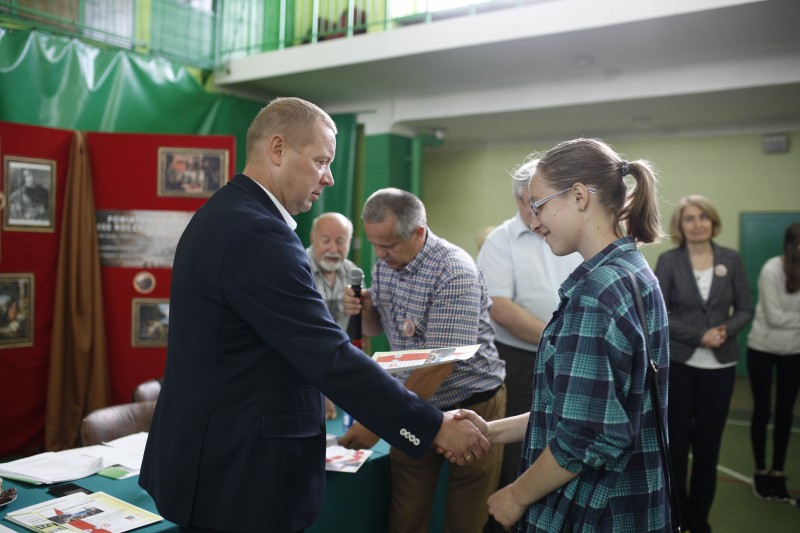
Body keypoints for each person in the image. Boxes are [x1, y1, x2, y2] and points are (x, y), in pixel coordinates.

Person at [138, 97, 490, 533]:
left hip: (221, 458)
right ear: (278, 149)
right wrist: (432, 424)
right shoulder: (257, 232)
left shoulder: (228, 214)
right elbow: (326, 353)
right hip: (239, 473)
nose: (329, 177)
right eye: (321, 161)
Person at [452, 138, 673, 532]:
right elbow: (580, 408)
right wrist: (491, 430)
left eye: (539, 205)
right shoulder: (633, 270)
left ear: (579, 197)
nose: (534, 221)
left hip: (599, 509)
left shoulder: (596, 293)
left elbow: (588, 434)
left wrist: (516, 495)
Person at [340, 187, 507, 533]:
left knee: (466, 519)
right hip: (414, 402)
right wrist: (365, 311)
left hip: (471, 404)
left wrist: (381, 421)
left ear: (418, 232)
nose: (379, 254)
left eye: (388, 245)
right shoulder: (387, 262)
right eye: (374, 244)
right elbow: (377, 327)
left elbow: (439, 364)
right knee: (406, 514)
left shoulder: (453, 270)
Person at [476, 159, 582, 533]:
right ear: (519, 199)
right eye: (532, 202)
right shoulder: (500, 241)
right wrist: (556, 338)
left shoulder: (568, 234)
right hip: (520, 361)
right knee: (518, 460)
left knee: (563, 443)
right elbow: (500, 308)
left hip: (570, 354)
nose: (538, 212)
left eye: (544, 201)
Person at [654, 194, 753, 533]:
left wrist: (725, 330)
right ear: (680, 226)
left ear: (713, 222)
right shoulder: (669, 261)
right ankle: (676, 519)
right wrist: (700, 336)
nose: (697, 224)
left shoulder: (731, 259)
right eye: (690, 218)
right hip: (679, 365)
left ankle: (699, 522)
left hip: (720, 369)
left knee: (708, 450)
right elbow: (661, 313)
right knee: (677, 448)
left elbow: (745, 309)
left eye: (703, 217)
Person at [747, 222, 800, 504]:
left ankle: (778, 471)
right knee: (763, 410)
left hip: (794, 352)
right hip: (763, 349)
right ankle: (760, 470)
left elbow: (784, 317)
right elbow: (774, 317)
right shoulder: (771, 269)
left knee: (785, 413)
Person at [307, 211, 360, 419]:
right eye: (326, 240)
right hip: (303, 372)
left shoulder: (352, 272)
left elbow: (358, 333)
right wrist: (319, 386)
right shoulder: (297, 267)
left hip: (340, 373)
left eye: (340, 241)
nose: (333, 249)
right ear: (313, 239)